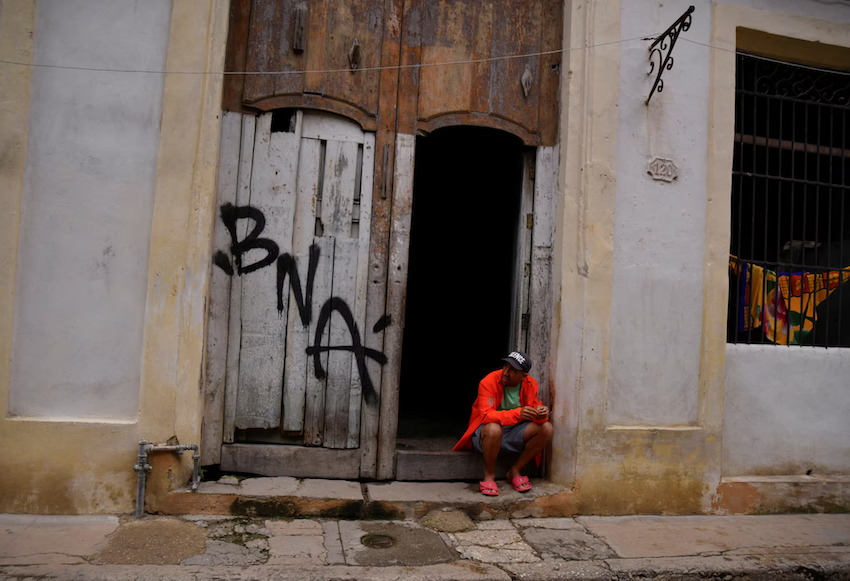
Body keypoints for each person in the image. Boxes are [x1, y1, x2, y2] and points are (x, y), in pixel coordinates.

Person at [452, 351, 553, 496]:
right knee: (494, 429)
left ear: (523, 376)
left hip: (513, 432)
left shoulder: (531, 384)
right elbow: (487, 416)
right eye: (505, 366)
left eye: (513, 370)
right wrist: (517, 413)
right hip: (486, 433)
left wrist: (542, 414)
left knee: (547, 428)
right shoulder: (489, 381)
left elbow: (536, 414)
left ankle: (515, 471)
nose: (506, 372)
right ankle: (489, 475)